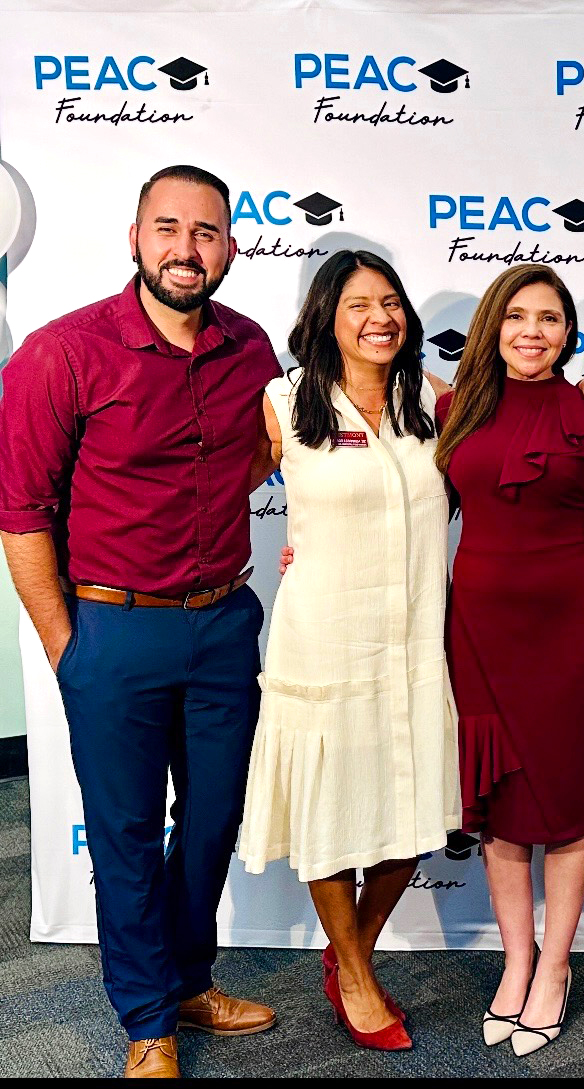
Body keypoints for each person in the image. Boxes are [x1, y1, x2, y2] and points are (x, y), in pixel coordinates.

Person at [0, 165, 279, 1078]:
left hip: (223, 623)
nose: (185, 249)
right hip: (111, 634)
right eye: (168, 228)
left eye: (205, 233)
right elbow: (23, 512)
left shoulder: (251, 348)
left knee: (210, 821)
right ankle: (147, 1020)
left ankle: (189, 981)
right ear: (135, 238)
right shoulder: (63, 351)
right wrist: (66, 647)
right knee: (123, 830)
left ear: (231, 247)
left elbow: (251, 464)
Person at [236, 251, 459, 1051]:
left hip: (413, 642)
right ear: (326, 314)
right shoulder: (283, 400)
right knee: (330, 813)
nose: (380, 316)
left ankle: (347, 950)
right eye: (360, 302)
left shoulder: (434, 399)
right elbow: (209, 491)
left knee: (411, 822)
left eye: (391, 301)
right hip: (325, 639)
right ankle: (357, 977)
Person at [435, 263, 584, 1057]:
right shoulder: (454, 408)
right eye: (518, 315)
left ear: (568, 332)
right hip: (480, 631)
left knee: (564, 802)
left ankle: (554, 967)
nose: (533, 331)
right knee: (498, 807)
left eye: (549, 318)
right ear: (494, 324)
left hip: (573, 635)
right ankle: (514, 960)